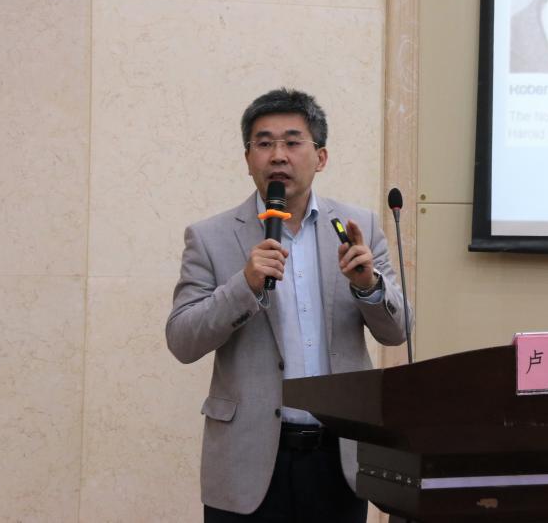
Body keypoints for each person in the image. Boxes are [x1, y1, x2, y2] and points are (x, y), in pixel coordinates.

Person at [166, 88, 408, 522]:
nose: (278, 155)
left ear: (321, 157)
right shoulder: (210, 237)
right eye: (264, 143)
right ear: (248, 159)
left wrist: (368, 286)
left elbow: (398, 330)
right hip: (247, 462)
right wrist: (243, 285)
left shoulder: (358, 228)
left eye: (293, 142)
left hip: (338, 459)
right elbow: (182, 340)